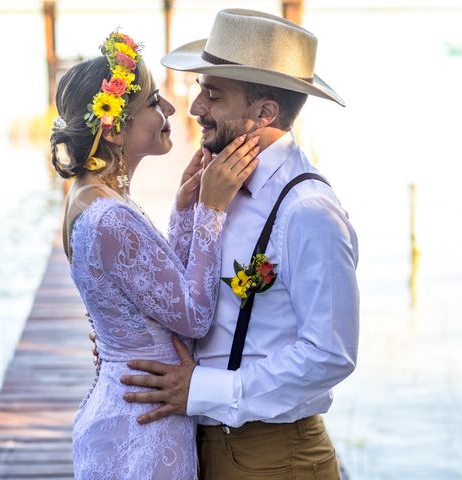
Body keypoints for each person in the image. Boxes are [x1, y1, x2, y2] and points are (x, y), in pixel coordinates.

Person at [116, 9, 360, 480]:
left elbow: (330, 353)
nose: (194, 107)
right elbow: (198, 303)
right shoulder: (217, 187)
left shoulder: (308, 210)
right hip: (202, 445)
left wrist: (203, 390)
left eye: (214, 93)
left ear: (263, 113)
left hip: (276, 457)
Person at [50, 31, 259, 479]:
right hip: (144, 424)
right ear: (115, 127)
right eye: (153, 102)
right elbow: (194, 315)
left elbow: (154, 293)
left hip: (128, 402)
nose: (170, 110)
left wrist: (184, 212)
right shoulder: (108, 217)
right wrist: (211, 210)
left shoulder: (91, 197)